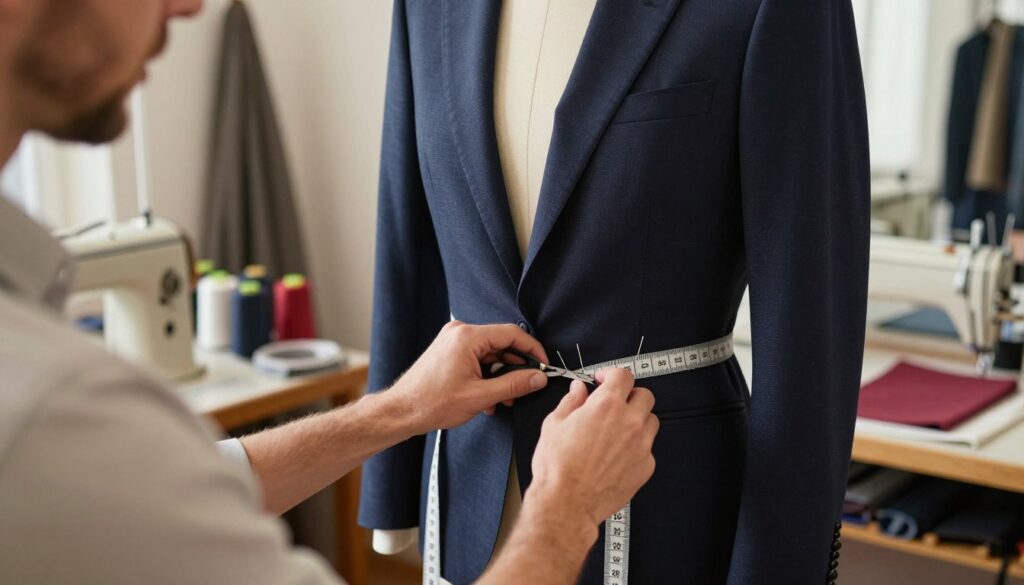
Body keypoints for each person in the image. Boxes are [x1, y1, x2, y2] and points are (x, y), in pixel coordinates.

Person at [0, 1, 659, 584]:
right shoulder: (49, 415)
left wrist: (395, 411)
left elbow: (148, 493)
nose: (188, 5)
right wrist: (565, 511)